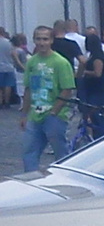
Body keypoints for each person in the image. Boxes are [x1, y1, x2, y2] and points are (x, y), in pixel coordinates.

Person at [20, 25, 75, 171]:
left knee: (60, 153)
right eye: (38, 39)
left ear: (51, 41)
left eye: (45, 39)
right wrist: (24, 114)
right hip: (35, 113)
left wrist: (54, 112)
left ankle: (64, 178)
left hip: (55, 114)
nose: (41, 43)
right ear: (34, 40)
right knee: (29, 151)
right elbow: (28, 89)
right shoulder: (32, 62)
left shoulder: (60, 62)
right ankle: (30, 182)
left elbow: (67, 89)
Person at [75, 33, 104, 137]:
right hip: (91, 89)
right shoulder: (91, 56)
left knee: (97, 115)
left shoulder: (97, 57)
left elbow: (98, 73)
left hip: (97, 90)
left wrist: (86, 72)